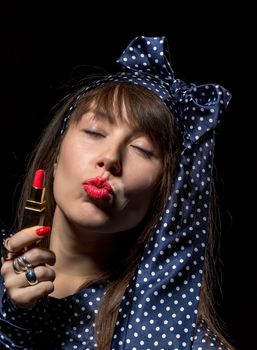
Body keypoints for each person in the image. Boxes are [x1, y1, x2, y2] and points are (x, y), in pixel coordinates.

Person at [0, 35, 234, 350]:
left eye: (142, 149)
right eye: (95, 132)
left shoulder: (179, 339)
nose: (110, 158)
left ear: (164, 194)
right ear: (55, 157)